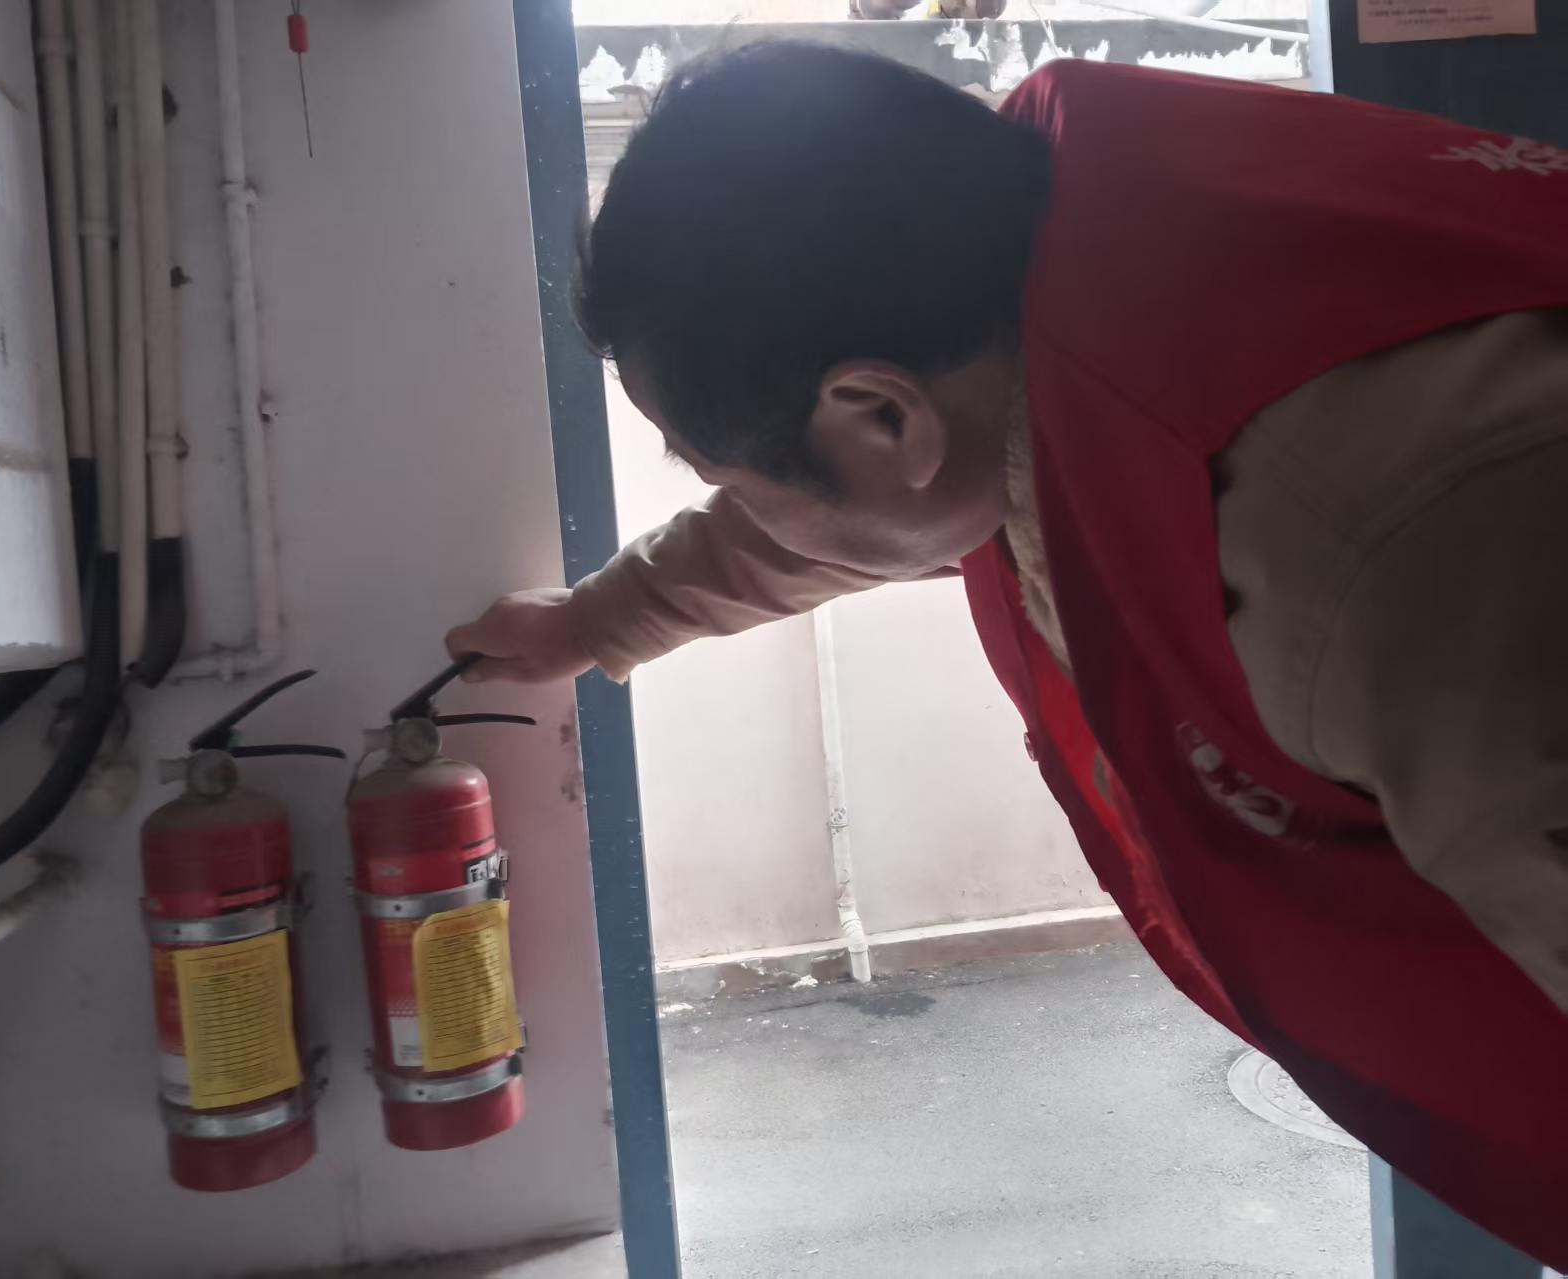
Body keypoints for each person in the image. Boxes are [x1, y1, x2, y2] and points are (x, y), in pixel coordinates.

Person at [449, 43, 1568, 1263]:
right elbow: (850, 513)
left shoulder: (1380, 553)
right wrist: (593, 622)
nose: (752, 513)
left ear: (881, 413)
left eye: (740, 479)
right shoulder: (1052, 277)